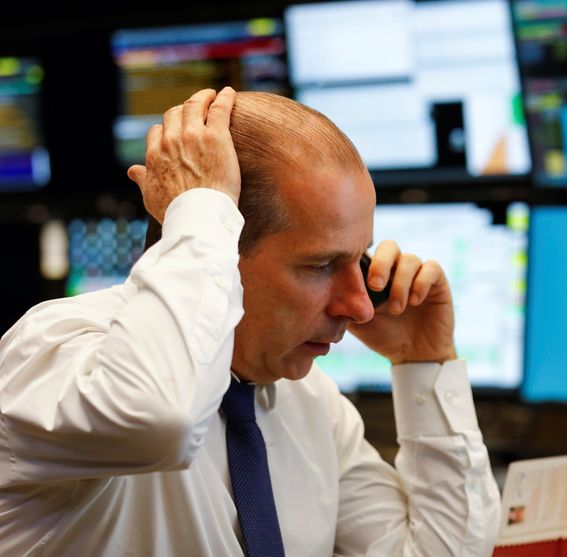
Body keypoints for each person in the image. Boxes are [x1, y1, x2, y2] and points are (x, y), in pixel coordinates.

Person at [0, 87, 502, 556]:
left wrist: (423, 360)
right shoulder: (56, 350)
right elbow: (161, 420)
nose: (361, 306)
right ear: (219, 251)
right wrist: (197, 203)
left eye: (360, 259)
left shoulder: (307, 400)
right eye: (321, 265)